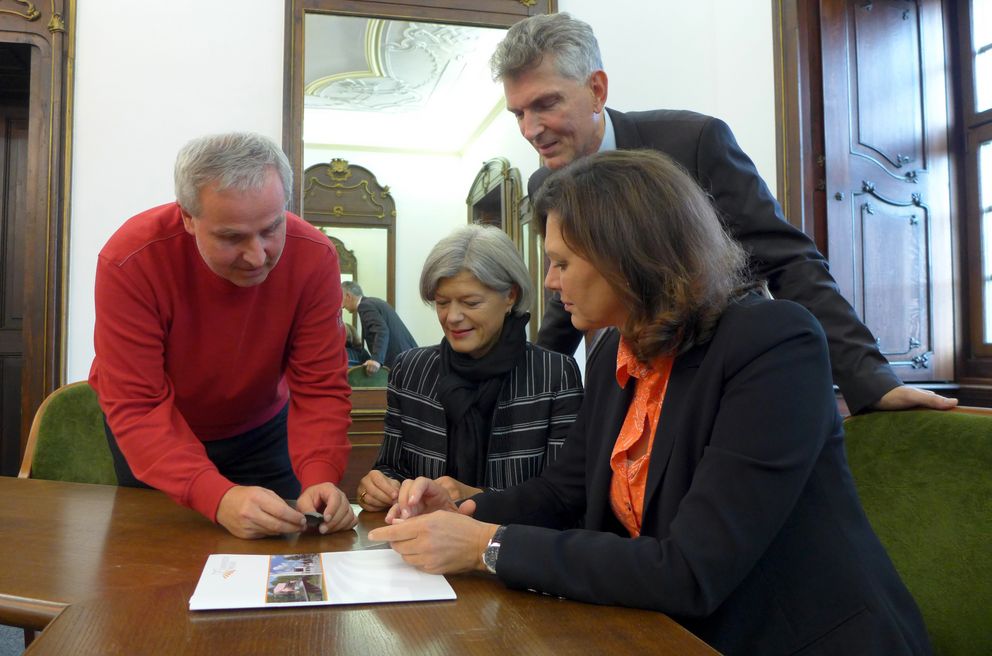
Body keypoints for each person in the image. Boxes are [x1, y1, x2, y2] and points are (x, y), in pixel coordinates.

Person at [368, 151, 931, 655]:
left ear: (626, 256)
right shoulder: (616, 348)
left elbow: (691, 570)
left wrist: (487, 546)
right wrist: (460, 510)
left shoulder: (773, 343)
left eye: (562, 262)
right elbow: (562, 492)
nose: (550, 282)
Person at [490, 12, 955, 416]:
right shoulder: (544, 185)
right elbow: (562, 300)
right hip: (632, 386)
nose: (531, 129)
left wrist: (870, 380)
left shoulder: (693, 143)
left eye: (546, 104)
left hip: (729, 377)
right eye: (518, 113)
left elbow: (786, 259)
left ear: (596, 89)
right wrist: (528, 391)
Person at [90, 132, 356, 539]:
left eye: (271, 229)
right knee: (154, 565)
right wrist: (214, 496)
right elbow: (137, 404)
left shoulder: (315, 256)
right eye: (231, 237)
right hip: (156, 435)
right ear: (188, 218)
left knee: (283, 555)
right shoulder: (130, 260)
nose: (257, 255)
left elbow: (320, 386)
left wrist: (320, 474)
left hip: (264, 433)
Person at [356, 225, 583, 511]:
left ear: (510, 296)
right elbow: (391, 467)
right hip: (421, 547)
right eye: (441, 303)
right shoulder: (411, 370)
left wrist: (476, 497)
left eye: (470, 302)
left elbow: (566, 500)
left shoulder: (554, 375)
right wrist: (376, 489)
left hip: (512, 549)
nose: (452, 317)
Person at [341, 281, 418, 375]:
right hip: (409, 357)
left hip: (401, 362)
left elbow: (381, 330)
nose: (342, 306)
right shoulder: (374, 302)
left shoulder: (364, 306)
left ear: (348, 296)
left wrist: (376, 359)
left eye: (341, 300)